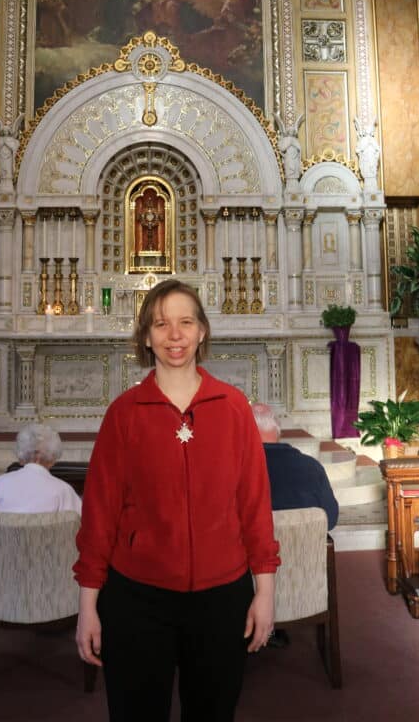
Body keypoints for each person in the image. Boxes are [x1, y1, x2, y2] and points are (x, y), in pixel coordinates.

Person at [74, 278, 279, 722]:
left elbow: (255, 506)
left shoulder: (233, 407)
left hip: (222, 598)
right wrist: (87, 606)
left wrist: (265, 593)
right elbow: (99, 516)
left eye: (186, 322)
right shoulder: (124, 414)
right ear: (146, 336)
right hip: (136, 599)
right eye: (161, 324)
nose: (174, 335)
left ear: (202, 331)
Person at [251, 403, 339, 529]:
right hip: (305, 547)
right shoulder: (312, 467)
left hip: (256, 548)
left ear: (245, 433)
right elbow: (330, 519)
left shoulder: (236, 470)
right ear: (278, 431)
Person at [0, 423, 81, 514]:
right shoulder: (63, 490)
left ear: (21, 456)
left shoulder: (1, 483)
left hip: (5, 536)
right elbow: (80, 524)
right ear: (53, 459)